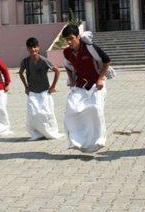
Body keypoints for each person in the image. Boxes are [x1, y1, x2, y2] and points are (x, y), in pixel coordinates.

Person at [62, 24, 111, 153]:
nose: (69, 42)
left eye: (71, 38)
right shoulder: (67, 52)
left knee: (95, 109)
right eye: (67, 39)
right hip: (80, 85)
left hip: (96, 84)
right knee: (71, 109)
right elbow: (67, 65)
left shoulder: (90, 48)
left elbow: (106, 61)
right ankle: (76, 141)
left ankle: (99, 140)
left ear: (78, 36)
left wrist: (100, 79)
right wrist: (71, 79)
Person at [18, 37, 62, 140]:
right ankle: (37, 133)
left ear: (38, 47)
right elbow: (20, 73)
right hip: (32, 91)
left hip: (44, 91)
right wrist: (26, 87)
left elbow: (57, 71)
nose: (33, 50)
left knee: (46, 112)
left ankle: (49, 132)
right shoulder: (25, 61)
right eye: (30, 48)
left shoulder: (43, 60)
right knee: (33, 113)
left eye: (35, 47)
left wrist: (53, 87)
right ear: (27, 49)